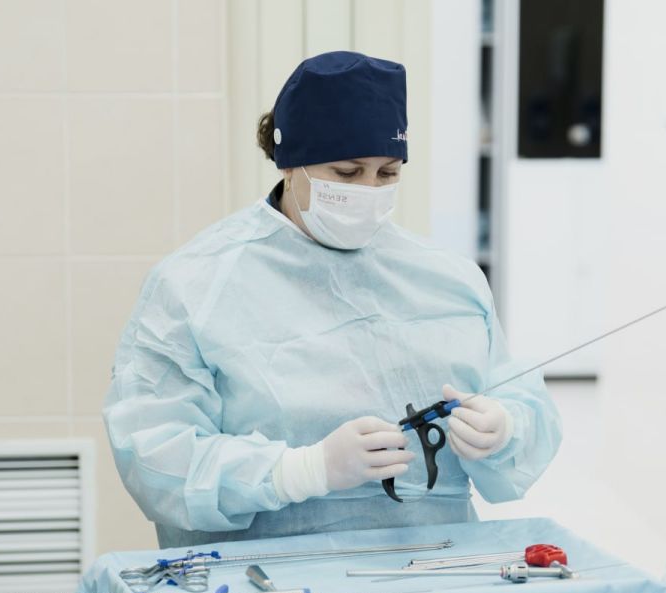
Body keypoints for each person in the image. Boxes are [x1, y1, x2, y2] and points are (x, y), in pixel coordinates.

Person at [104, 51, 562, 549]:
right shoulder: (195, 284)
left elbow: (519, 399)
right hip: (263, 580)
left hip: (434, 567)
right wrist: (300, 471)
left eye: (387, 174)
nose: (368, 190)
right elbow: (154, 455)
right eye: (347, 172)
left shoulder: (448, 279)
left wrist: (505, 429)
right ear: (291, 164)